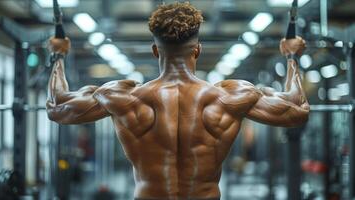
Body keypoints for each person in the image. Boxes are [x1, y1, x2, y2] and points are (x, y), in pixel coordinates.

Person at [47, 2, 309, 200]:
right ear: (198, 49)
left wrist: (58, 55)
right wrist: (291, 57)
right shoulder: (230, 96)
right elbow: (297, 109)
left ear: (154, 51)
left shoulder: (123, 97)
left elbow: (57, 107)